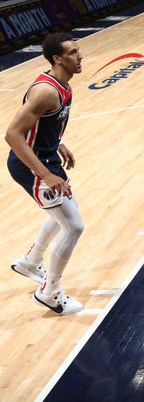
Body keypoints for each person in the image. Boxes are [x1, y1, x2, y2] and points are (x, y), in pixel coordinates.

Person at [6, 32, 86, 315]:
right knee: (73, 226)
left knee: (64, 212)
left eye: (79, 51)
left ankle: (30, 261)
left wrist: (59, 143)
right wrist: (45, 174)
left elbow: (42, 124)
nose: (80, 56)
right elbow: (13, 135)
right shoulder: (46, 91)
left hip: (47, 157)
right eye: (73, 52)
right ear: (57, 59)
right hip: (32, 164)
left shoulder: (65, 86)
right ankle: (49, 293)